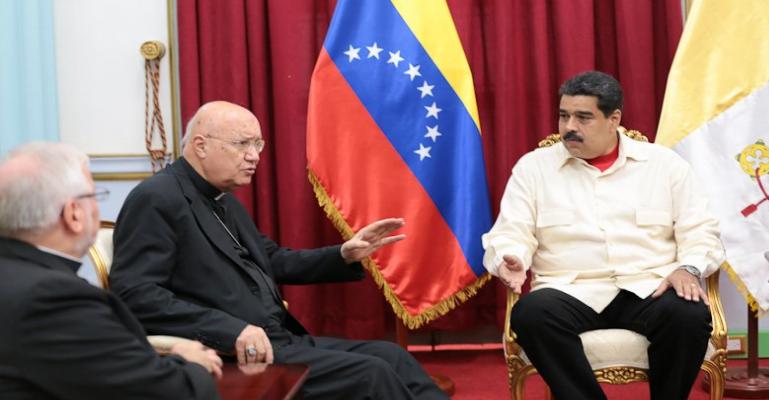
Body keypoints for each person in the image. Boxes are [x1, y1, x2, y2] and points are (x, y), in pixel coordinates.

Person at [109, 101, 446, 400]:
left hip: (278, 340)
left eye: (258, 144)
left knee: (393, 356)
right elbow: (136, 293)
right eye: (242, 144)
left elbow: (270, 259)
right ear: (200, 145)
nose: (254, 155)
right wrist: (230, 330)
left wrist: (343, 254)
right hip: (229, 351)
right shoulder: (157, 198)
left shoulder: (221, 198)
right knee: (371, 373)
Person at [482, 71, 725, 400]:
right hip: (569, 289)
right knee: (531, 314)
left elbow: (701, 230)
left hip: (648, 286)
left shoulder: (664, 165)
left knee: (689, 313)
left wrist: (690, 267)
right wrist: (509, 257)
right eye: (564, 115)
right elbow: (511, 232)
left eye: (583, 118)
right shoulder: (534, 168)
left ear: (614, 119)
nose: (570, 127)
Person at [0, 142, 222, 399]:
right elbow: (171, 394)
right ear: (73, 214)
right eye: (94, 196)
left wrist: (171, 362)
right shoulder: (54, 300)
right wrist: (194, 365)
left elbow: (99, 372)